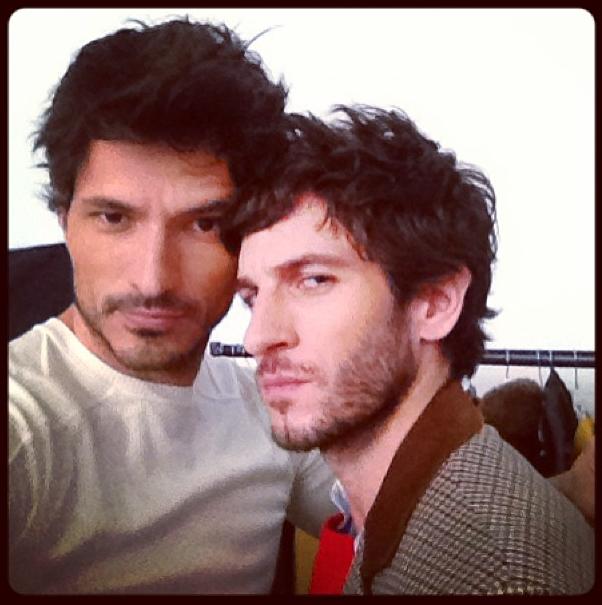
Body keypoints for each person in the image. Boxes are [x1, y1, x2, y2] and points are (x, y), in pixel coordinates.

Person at [8, 18, 336, 594]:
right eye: (114, 218)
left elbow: (414, 518)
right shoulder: (24, 425)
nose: (154, 278)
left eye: (204, 224)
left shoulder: (267, 410)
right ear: (65, 220)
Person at [227, 106, 595, 595]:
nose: (257, 337)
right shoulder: (406, 514)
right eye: (252, 297)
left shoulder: (499, 578)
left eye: (313, 280)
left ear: (435, 303)